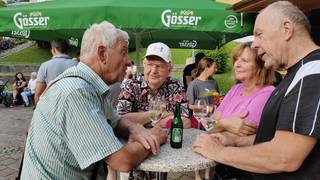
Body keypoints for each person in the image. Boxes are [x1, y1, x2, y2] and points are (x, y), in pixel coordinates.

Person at [20, 21, 167, 179]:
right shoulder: (77, 93)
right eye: (123, 53)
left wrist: (134, 128)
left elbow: (116, 121)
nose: (128, 61)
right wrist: (155, 136)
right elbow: (122, 161)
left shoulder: (90, 86)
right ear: (102, 54)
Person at [193, 1, 320, 179]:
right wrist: (235, 140)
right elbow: (273, 138)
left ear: (286, 29)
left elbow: (284, 157)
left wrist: (219, 152)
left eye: (259, 34)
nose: (254, 45)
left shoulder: (312, 72)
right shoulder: (294, 74)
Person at [116, 42, 191, 129]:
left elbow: (185, 121)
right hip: (135, 138)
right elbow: (120, 119)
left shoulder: (176, 86)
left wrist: (158, 126)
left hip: (166, 138)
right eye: (150, 64)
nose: (154, 70)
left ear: (169, 69)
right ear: (144, 65)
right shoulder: (131, 85)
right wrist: (156, 114)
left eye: (159, 66)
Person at [211, 42, 275, 135]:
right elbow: (210, 124)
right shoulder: (236, 89)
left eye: (244, 60)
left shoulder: (266, 93)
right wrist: (225, 124)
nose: (237, 64)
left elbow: (241, 135)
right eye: (236, 60)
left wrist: (218, 125)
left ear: (260, 67)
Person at [186, 56, 219, 180]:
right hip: (199, 118)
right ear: (206, 68)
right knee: (198, 144)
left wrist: (215, 106)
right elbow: (189, 105)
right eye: (214, 67)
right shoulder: (194, 84)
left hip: (211, 118)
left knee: (210, 142)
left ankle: (206, 174)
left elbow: (217, 99)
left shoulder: (214, 82)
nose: (216, 69)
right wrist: (204, 109)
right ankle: (197, 174)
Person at [35, 38, 78, 104]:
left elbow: (39, 93)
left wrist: (38, 110)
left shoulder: (45, 66)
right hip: (74, 104)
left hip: (52, 105)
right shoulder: (77, 65)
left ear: (54, 49)